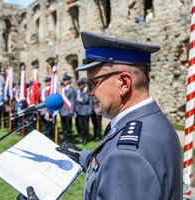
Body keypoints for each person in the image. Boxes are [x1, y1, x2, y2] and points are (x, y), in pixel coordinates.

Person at [57, 32, 182, 199]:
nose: (88, 92)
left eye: (93, 84)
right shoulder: (152, 120)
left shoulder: (126, 155)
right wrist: (84, 156)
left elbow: (123, 166)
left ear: (124, 83)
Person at [59, 74, 76, 143]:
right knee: (63, 127)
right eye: (64, 80)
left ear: (69, 81)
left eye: (66, 80)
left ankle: (68, 140)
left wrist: (71, 111)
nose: (64, 81)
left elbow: (73, 102)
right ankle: (65, 138)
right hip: (62, 111)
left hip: (68, 111)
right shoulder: (62, 89)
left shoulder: (71, 90)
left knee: (68, 127)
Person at [75, 78, 92, 145]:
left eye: (80, 84)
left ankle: (85, 138)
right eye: (79, 85)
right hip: (79, 111)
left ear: (84, 84)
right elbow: (76, 101)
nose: (79, 86)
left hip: (85, 111)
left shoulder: (87, 91)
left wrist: (89, 111)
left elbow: (88, 101)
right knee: (80, 125)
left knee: (85, 126)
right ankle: (82, 136)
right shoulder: (79, 91)